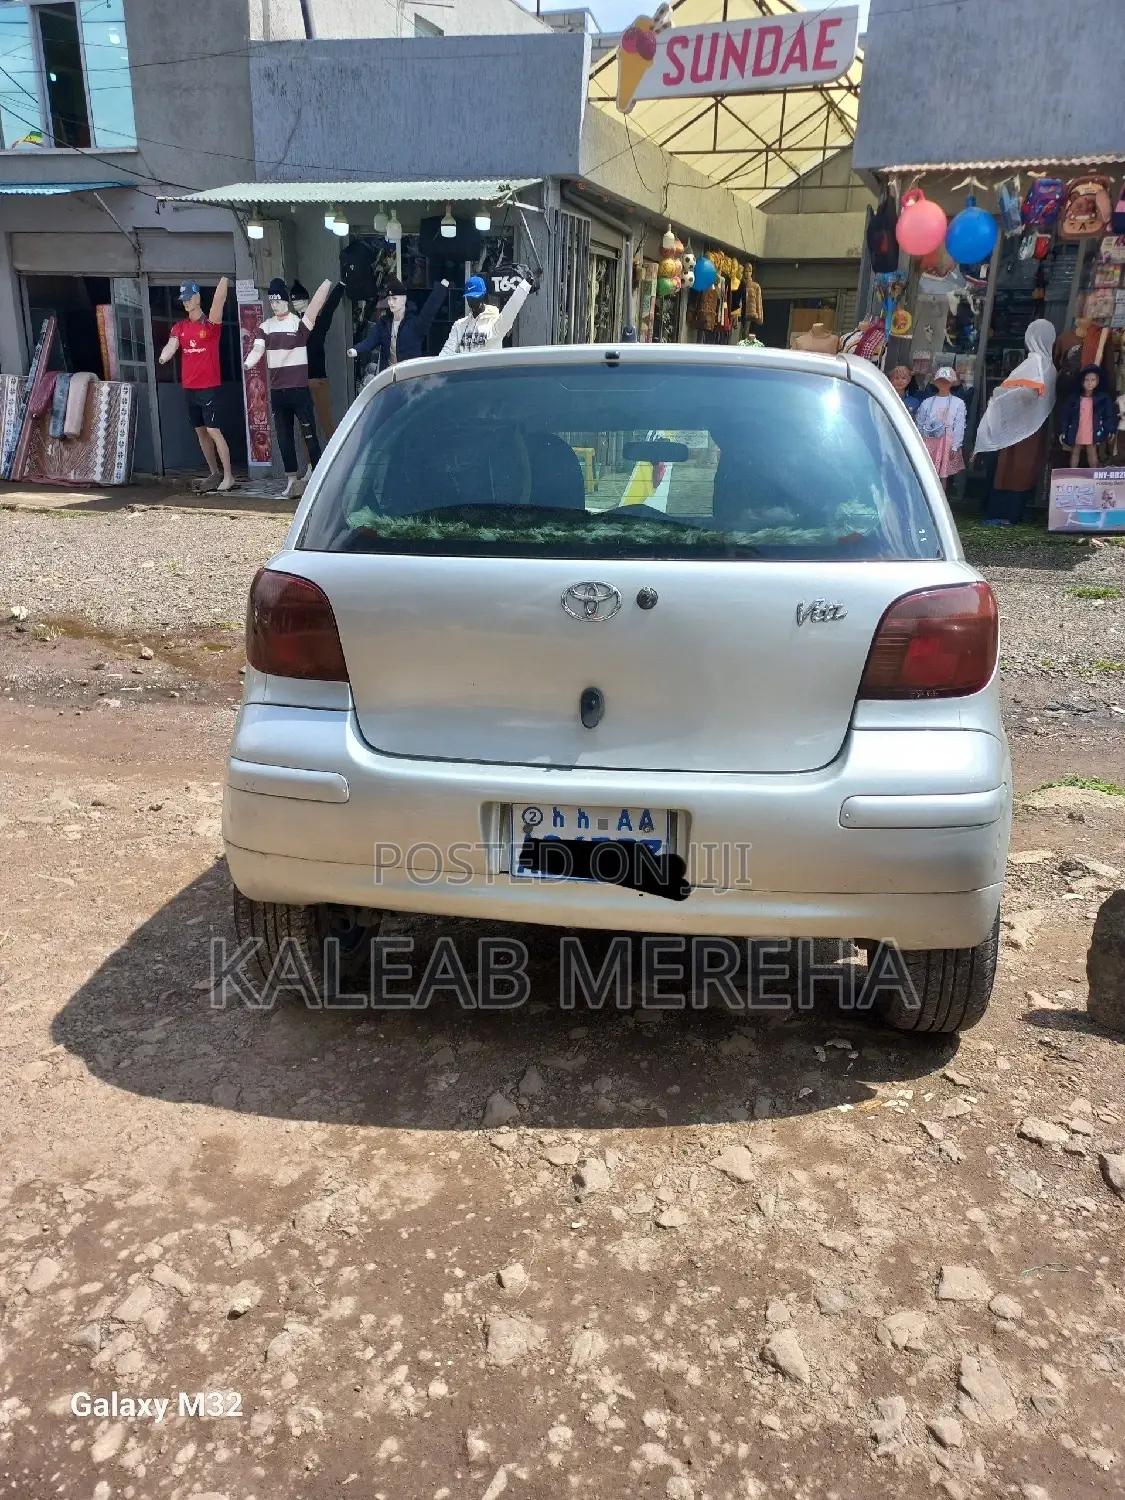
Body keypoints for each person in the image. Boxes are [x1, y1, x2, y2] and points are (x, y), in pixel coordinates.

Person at [974, 318, 1057, 526]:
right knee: (1023, 472)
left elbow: (1025, 393)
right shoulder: (1050, 366)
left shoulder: (1035, 362)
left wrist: (999, 395)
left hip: (1018, 428)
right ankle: (1013, 515)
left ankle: (999, 514)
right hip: (1035, 428)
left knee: (1008, 470)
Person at [159, 279, 234, 493]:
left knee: (213, 430)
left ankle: (229, 476)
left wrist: (224, 279)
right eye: (183, 300)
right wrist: (164, 356)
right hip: (190, 388)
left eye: (189, 298)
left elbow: (219, 301)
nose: (186, 303)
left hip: (209, 387)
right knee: (201, 432)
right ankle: (214, 473)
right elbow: (172, 344)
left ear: (198, 298)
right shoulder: (180, 327)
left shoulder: (209, 326)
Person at [347, 276, 449, 376]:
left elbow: (429, 311)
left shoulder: (415, 324)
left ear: (404, 299)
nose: (391, 302)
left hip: (409, 378)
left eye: (394, 298)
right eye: (389, 299)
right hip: (388, 377)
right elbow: (370, 341)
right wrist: (356, 350)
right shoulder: (383, 324)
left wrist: (440, 289)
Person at [439, 272, 533, 356]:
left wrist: (525, 285)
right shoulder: (459, 325)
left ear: (483, 295)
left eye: (476, 297)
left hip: (488, 375)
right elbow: (446, 352)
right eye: (470, 298)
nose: (473, 301)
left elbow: (512, 308)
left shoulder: (495, 323)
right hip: (466, 375)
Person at [914, 366, 965, 491]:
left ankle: (941, 497)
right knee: (927, 470)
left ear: (952, 382)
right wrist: (919, 439)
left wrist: (955, 445)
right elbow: (920, 421)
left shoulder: (958, 403)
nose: (943, 383)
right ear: (935, 382)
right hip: (928, 439)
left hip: (946, 441)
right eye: (940, 380)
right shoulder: (927, 401)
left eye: (947, 381)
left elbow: (959, 425)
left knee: (943, 474)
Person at [1060, 365, 1116, 468]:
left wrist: (1110, 429)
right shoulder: (1074, 398)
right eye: (1087, 380)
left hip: (1092, 429)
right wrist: (1063, 430)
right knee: (1075, 451)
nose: (1090, 383)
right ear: (1081, 381)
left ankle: (1093, 476)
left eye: (1093, 380)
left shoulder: (1102, 399)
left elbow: (1108, 415)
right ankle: (1072, 475)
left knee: (1092, 452)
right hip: (1077, 428)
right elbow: (1066, 415)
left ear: (1098, 381)